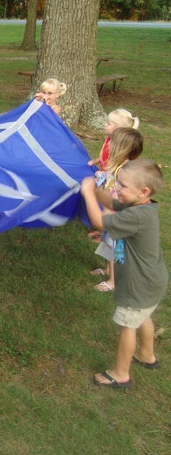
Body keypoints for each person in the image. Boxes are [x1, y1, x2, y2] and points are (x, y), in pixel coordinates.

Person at [80, 159, 167, 388]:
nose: (117, 188)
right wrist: (98, 192)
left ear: (143, 191)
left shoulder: (136, 216)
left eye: (123, 186)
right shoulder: (140, 206)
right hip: (152, 280)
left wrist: (88, 194)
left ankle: (121, 374)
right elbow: (111, 201)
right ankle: (147, 356)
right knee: (143, 316)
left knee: (128, 324)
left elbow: (99, 222)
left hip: (138, 283)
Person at [90, 128, 143, 292]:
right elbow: (108, 182)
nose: (108, 144)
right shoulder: (115, 165)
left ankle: (114, 281)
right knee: (108, 242)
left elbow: (119, 193)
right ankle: (107, 270)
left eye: (112, 142)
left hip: (118, 216)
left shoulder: (125, 171)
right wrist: (101, 177)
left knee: (115, 248)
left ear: (121, 148)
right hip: (112, 212)